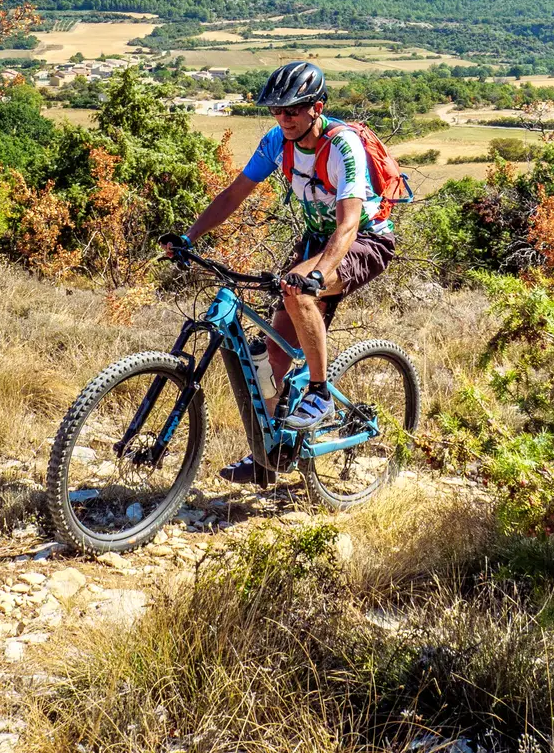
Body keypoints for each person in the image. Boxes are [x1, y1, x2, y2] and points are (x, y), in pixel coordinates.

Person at [168, 61, 397, 485]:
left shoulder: (342, 145)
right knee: (273, 355)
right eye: (277, 110)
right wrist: (190, 236)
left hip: (363, 239)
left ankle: (320, 393)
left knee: (299, 294)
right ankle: (271, 459)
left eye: (293, 109)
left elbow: (348, 223)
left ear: (317, 107)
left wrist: (317, 274)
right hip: (316, 240)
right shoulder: (277, 142)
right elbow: (234, 194)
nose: (283, 117)